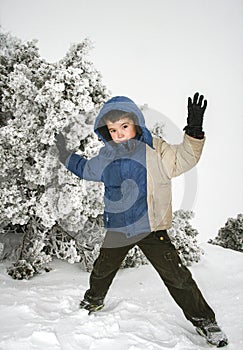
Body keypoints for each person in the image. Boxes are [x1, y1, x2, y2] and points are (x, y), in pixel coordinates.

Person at [55, 93, 228, 347]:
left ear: (136, 123)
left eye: (124, 126)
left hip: (151, 228)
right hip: (118, 229)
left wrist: (193, 131)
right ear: (106, 132)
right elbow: (85, 169)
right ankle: (93, 299)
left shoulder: (155, 149)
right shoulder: (106, 157)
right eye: (113, 129)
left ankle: (205, 321)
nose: (119, 133)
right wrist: (64, 154)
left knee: (177, 277)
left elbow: (184, 159)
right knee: (102, 270)